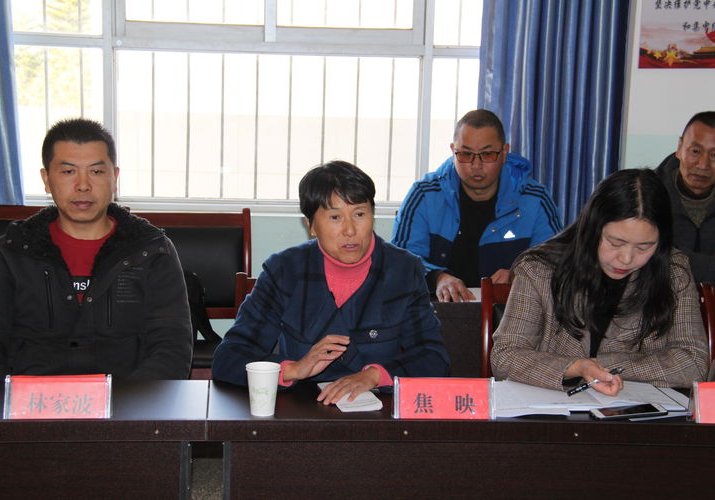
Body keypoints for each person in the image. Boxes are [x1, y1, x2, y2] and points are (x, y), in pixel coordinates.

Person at [0, 118, 192, 380]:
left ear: (114, 178)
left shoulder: (151, 250)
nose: (83, 185)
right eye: (68, 172)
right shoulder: (11, 251)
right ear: (46, 180)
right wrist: (12, 399)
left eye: (96, 171)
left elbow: (171, 347)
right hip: (31, 399)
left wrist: (130, 401)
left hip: (126, 398)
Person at [212, 160, 450, 404]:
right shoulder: (284, 270)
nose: (350, 230)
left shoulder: (403, 270)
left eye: (359, 214)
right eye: (335, 217)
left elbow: (433, 357)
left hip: (376, 410)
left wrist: (374, 375)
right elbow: (229, 359)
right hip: (301, 408)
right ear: (311, 225)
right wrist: (293, 369)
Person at [491, 169, 709, 395]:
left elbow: (694, 363)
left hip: (638, 411)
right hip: (552, 409)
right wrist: (576, 367)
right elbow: (505, 356)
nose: (626, 258)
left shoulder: (673, 272)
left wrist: (601, 364)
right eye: (615, 243)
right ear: (593, 228)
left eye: (644, 247)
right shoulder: (540, 269)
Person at [392, 109, 562, 303]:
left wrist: (519, 275)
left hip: (511, 312)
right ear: (453, 151)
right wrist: (436, 277)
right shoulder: (424, 195)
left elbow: (557, 264)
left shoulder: (535, 200)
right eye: (466, 154)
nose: (476, 165)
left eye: (487, 154)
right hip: (436, 310)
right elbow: (399, 261)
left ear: (504, 152)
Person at [654, 111, 715, 283]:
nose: (703, 165)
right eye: (695, 151)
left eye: (714, 155)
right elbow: (653, 258)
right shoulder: (647, 194)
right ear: (680, 148)